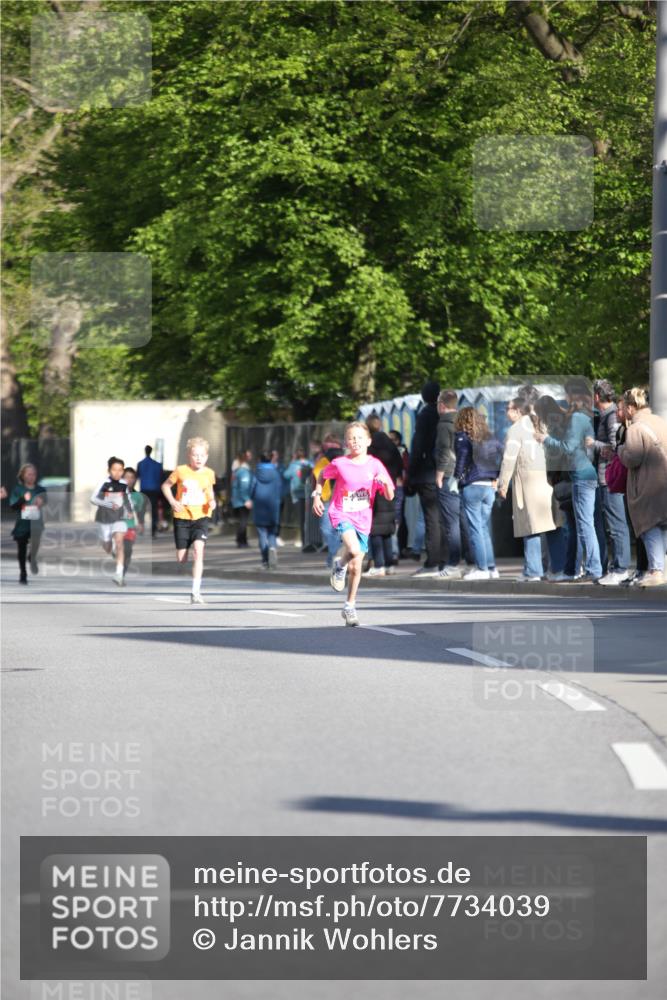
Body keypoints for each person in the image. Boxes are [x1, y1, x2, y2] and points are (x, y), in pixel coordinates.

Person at [312, 421, 394, 626]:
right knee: (354, 549)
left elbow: (390, 495)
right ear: (346, 442)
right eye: (351, 438)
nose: (355, 441)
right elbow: (322, 476)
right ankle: (339, 565)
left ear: (368, 441)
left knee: (356, 567)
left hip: (363, 519)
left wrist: (384, 484)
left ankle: (349, 606)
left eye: (359, 438)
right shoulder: (340, 463)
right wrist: (316, 496)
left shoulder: (375, 464)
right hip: (341, 513)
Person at [535, 378, 603, 582]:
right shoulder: (585, 417)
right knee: (582, 525)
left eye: (567, 395)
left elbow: (568, 447)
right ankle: (582, 569)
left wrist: (544, 439)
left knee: (584, 526)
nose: (565, 400)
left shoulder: (577, 419)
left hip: (581, 476)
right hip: (582, 475)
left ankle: (593, 569)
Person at [497, 398, 556, 581]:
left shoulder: (515, 430)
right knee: (546, 527)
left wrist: (502, 484)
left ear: (517, 411)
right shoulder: (539, 424)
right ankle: (549, 568)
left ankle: (533, 571)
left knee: (529, 528)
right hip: (546, 483)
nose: (506, 412)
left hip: (527, 483)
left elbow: (509, 460)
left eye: (508, 408)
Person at [617, 387, 667, 586]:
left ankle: (656, 570)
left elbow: (633, 458)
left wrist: (620, 451)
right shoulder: (660, 421)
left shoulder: (636, 428)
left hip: (648, 483)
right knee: (663, 524)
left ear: (631, 408)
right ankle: (661, 567)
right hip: (664, 480)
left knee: (649, 525)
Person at [584, 379, 632, 585]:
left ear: (596, 396)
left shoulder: (611, 417)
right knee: (611, 524)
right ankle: (616, 567)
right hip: (606, 478)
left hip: (611, 478)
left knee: (616, 524)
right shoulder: (606, 415)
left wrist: (592, 443)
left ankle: (621, 568)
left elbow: (615, 449)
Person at [161, 437, 216, 603]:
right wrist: (172, 501)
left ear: (206, 456)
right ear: (189, 456)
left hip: (201, 516)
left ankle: (195, 592)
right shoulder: (181, 470)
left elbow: (210, 491)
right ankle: (183, 552)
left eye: (202, 455)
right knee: (182, 558)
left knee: (199, 552)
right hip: (182, 518)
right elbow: (165, 486)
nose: (198, 458)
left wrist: (212, 501)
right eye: (195, 455)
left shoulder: (209, 473)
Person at [454, 408, 503, 580]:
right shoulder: (491, 437)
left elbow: (462, 459)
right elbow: (501, 456)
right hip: (489, 485)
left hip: (472, 484)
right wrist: (497, 477)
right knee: (483, 528)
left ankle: (481, 569)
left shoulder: (463, 436)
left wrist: (456, 478)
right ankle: (491, 568)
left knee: (475, 529)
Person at [407, 380, 448, 577]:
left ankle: (432, 561)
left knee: (431, 518)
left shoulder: (425, 415)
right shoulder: (444, 416)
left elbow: (418, 446)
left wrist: (411, 474)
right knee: (442, 518)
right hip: (446, 471)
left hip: (427, 473)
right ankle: (445, 559)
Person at [534, 395, 570, 580]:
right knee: (565, 525)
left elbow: (555, 454)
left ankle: (559, 567)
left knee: (555, 526)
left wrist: (550, 475)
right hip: (564, 478)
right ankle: (566, 567)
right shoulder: (563, 420)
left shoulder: (553, 426)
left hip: (558, 479)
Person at [366, 415, 404, 576]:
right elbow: (400, 463)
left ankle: (378, 565)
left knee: (374, 529)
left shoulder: (370, 446)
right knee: (387, 528)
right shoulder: (389, 443)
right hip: (390, 487)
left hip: (374, 489)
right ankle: (389, 564)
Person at [91, 456, 135, 586]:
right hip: (104, 518)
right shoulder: (104, 483)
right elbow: (93, 499)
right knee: (107, 546)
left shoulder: (123, 484)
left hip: (119, 518)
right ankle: (113, 549)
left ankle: (119, 575)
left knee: (120, 543)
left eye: (120, 470)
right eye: (114, 469)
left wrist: (129, 511)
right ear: (109, 470)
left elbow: (128, 500)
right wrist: (109, 504)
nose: (117, 472)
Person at [434, 389, 463, 579]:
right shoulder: (463, 421)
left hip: (449, 475)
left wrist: (439, 473)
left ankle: (453, 563)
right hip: (463, 473)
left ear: (442, 405)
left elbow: (445, 450)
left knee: (451, 521)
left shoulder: (444, 424)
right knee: (465, 520)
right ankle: (479, 563)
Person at [311, 434, 345, 569]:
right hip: (328, 499)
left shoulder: (328, 462)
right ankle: (335, 555)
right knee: (330, 530)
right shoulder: (323, 463)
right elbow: (317, 479)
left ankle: (335, 555)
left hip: (336, 499)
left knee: (328, 529)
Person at [9, 464, 47, 584]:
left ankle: (32, 557)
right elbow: (13, 506)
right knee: (22, 548)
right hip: (22, 524)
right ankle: (23, 573)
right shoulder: (17, 489)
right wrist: (23, 499)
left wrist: (42, 501)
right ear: (23, 475)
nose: (31, 476)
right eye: (29, 474)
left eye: (33, 474)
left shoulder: (40, 489)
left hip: (36, 522)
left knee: (35, 543)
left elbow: (46, 501)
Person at [250, 453, 283, 569]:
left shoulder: (256, 472)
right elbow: (280, 488)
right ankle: (272, 548)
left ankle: (265, 559)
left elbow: (252, 487)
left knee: (262, 533)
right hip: (273, 505)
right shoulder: (276, 473)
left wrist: (251, 498)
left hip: (259, 505)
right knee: (272, 531)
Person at [120, 466, 145, 579]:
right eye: (126, 477)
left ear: (135, 479)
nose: (129, 480)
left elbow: (140, 511)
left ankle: (121, 574)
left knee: (128, 551)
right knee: (119, 549)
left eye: (131, 477)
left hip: (130, 527)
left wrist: (141, 523)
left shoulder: (138, 496)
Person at [284, 448, 311, 548]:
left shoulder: (293, 465)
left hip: (297, 494)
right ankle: (310, 540)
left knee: (301, 519)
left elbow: (286, 475)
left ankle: (303, 541)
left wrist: (292, 462)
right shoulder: (310, 464)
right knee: (309, 518)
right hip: (308, 493)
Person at [137, 445, 163, 538]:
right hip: (154, 490)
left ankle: (141, 528)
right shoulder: (157, 465)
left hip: (144, 489)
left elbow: (137, 476)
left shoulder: (140, 464)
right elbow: (160, 477)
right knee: (154, 511)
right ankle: (153, 531)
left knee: (142, 510)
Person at [230, 450, 253, 547]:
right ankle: (241, 541)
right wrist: (247, 499)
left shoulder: (236, 471)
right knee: (243, 522)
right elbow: (244, 487)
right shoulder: (244, 472)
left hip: (236, 499)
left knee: (241, 521)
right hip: (242, 501)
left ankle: (242, 540)